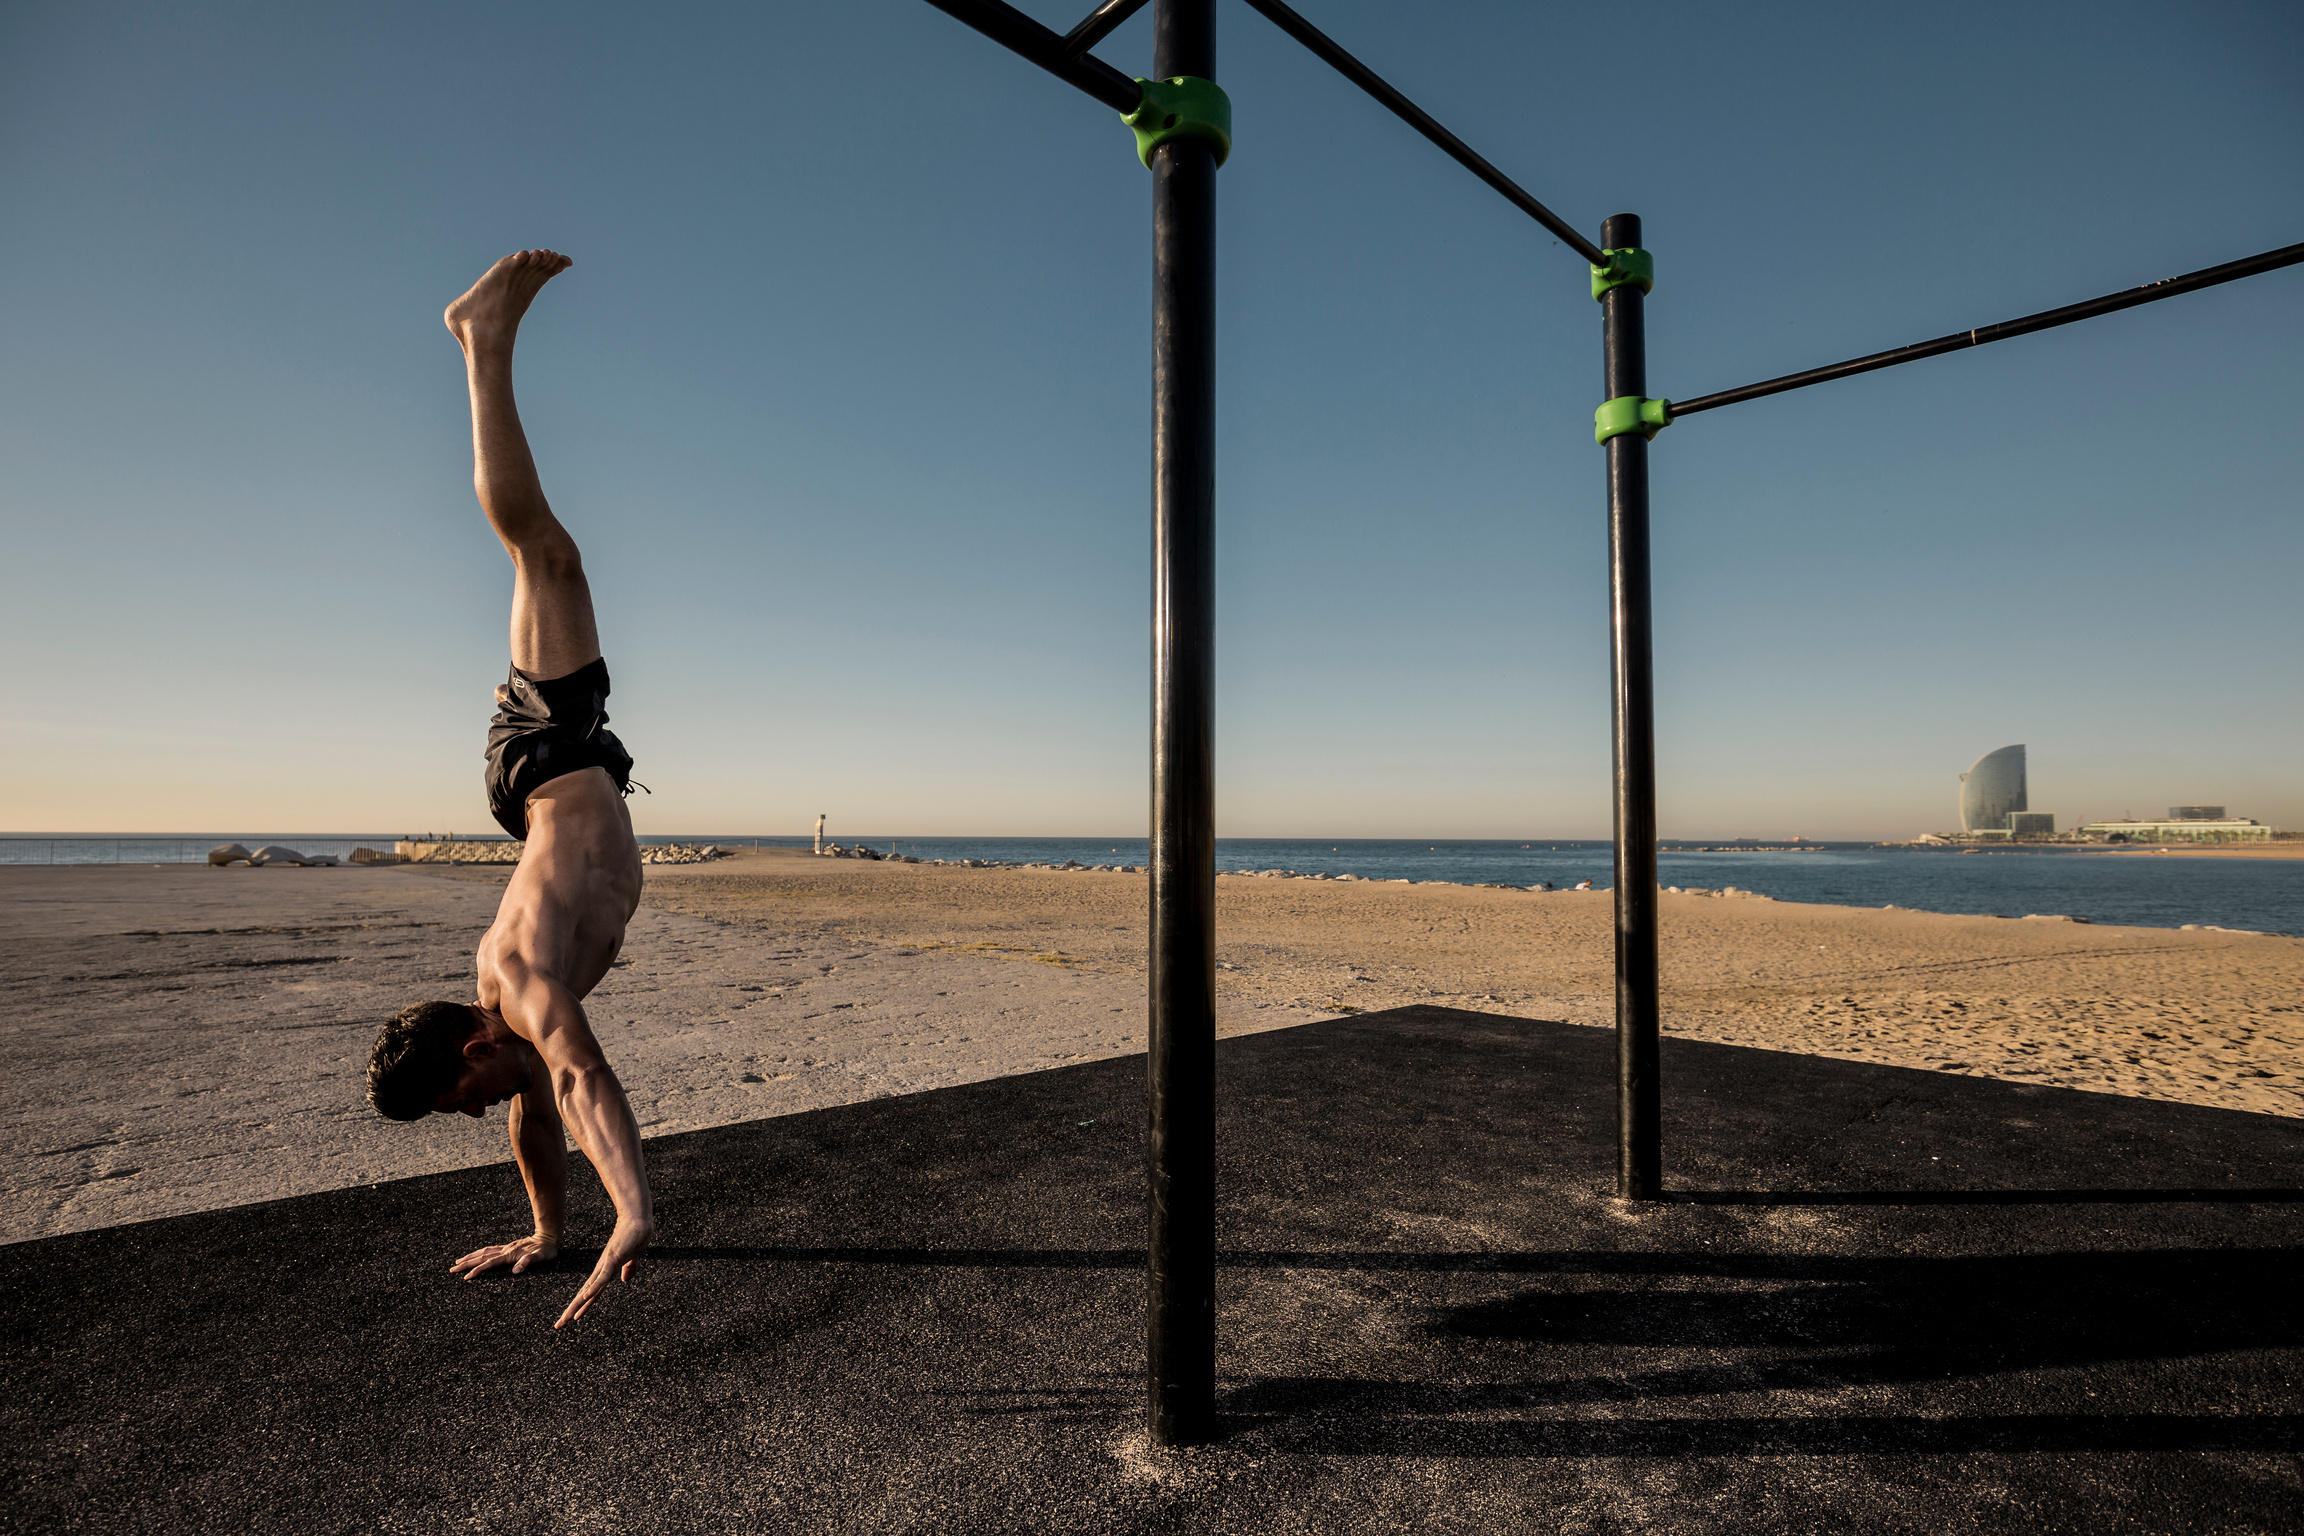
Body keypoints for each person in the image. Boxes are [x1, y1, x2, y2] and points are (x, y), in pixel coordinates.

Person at [364, 249, 652, 1329]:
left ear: (477, 1047)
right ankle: (481, 339)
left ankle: (483, 339)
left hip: (549, 755)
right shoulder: (513, 1040)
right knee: (551, 559)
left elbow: (577, 1082)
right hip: (550, 767)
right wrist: (546, 1234)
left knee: (547, 557)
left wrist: (632, 1207)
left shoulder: (524, 981)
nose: (472, 1114)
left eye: (460, 1100)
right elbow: (539, 1113)